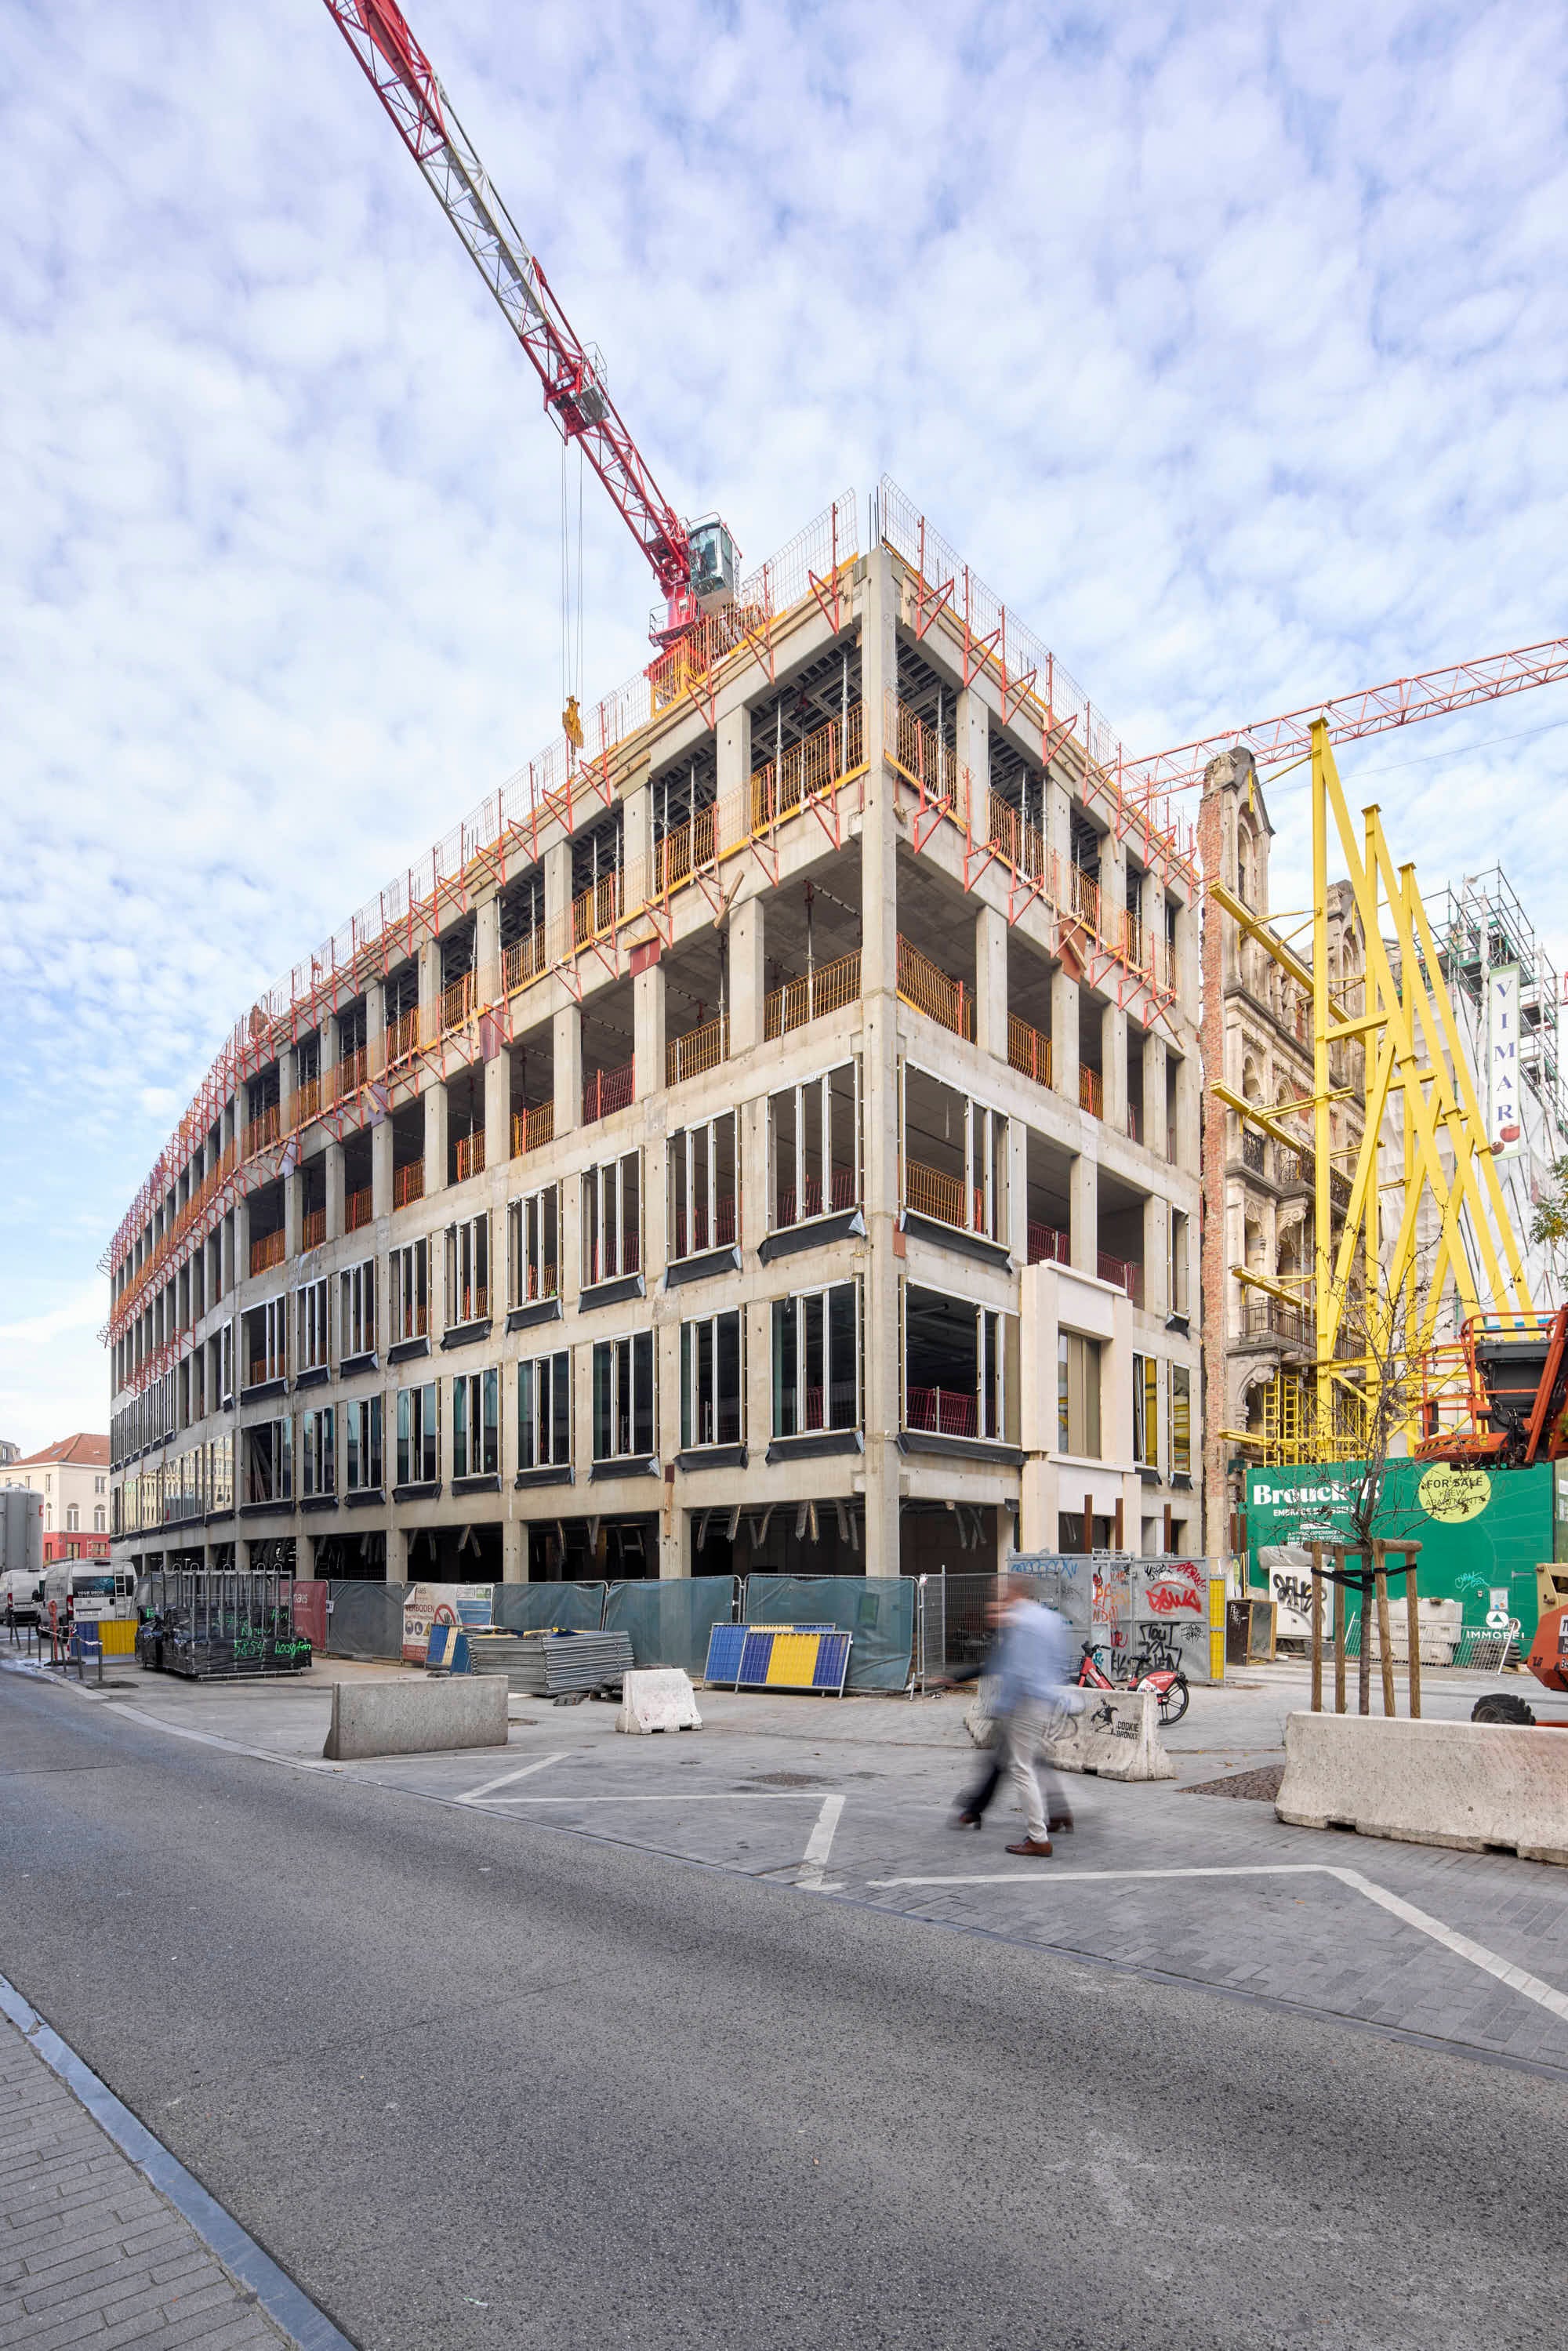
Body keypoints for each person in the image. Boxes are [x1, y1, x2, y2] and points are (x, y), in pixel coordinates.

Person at [953, 1576, 1075, 1855]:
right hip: (1045, 1698)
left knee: (1022, 1768)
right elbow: (1058, 1662)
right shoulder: (1050, 1619)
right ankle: (1059, 1813)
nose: (1001, 1598)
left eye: (1004, 1593)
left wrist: (1005, 1705)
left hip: (1025, 1700)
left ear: (1016, 1592)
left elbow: (1018, 1669)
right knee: (1030, 1760)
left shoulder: (1022, 1623)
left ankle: (1038, 1838)